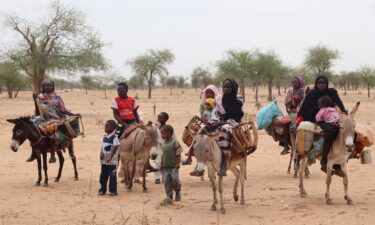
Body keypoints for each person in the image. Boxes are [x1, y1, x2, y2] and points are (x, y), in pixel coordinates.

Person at [297, 75, 346, 176]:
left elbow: (339, 104)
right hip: (316, 120)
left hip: (331, 118)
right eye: (319, 83)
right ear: (316, 84)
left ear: (326, 84)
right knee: (330, 133)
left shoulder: (331, 92)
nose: (321, 85)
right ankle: (323, 161)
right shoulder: (312, 94)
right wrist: (298, 120)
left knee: (345, 133)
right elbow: (303, 109)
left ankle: (341, 161)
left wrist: (344, 112)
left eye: (323, 83)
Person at [196, 79, 244, 177]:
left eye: (228, 87)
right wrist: (212, 122)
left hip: (233, 122)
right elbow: (215, 113)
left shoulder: (238, 100)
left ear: (234, 88)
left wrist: (221, 123)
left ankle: (224, 163)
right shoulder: (219, 99)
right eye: (224, 87)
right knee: (203, 129)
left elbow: (238, 116)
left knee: (224, 131)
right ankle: (198, 160)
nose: (226, 89)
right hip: (219, 120)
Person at [29, 80, 79, 163]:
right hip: (43, 118)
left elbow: (63, 110)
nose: (49, 87)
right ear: (43, 87)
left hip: (55, 118)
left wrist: (74, 114)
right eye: (47, 86)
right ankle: (33, 152)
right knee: (30, 126)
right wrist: (34, 100)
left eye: (50, 86)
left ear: (53, 87)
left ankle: (52, 154)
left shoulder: (57, 97)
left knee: (51, 128)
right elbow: (37, 110)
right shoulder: (39, 96)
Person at [182, 84, 219, 165]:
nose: (209, 94)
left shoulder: (218, 102)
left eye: (211, 93)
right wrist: (202, 118)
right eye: (207, 93)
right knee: (196, 139)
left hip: (215, 124)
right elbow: (201, 112)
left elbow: (218, 113)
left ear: (214, 93)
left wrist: (211, 121)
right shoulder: (204, 102)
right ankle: (189, 157)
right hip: (204, 124)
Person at [280, 75, 306, 155]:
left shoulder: (305, 91)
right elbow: (287, 103)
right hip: (292, 112)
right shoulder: (290, 91)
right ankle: (286, 145)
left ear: (300, 83)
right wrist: (291, 110)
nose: (294, 83)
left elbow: (306, 103)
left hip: (303, 112)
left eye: (296, 82)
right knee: (285, 122)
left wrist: (300, 111)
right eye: (293, 82)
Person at [160, 125, 183, 205]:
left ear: (169, 133)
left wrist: (177, 163)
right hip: (166, 166)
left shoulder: (174, 142)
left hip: (173, 166)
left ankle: (177, 191)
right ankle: (169, 195)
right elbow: (163, 155)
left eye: (163, 134)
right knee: (166, 181)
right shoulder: (163, 144)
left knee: (175, 179)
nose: (161, 135)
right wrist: (161, 164)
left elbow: (178, 153)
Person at [98, 120, 120, 196]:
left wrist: (110, 157)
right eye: (105, 127)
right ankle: (102, 189)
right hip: (104, 161)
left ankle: (113, 191)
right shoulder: (105, 137)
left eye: (107, 127)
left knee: (112, 176)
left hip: (112, 162)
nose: (105, 128)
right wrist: (101, 154)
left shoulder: (115, 137)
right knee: (103, 176)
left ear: (113, 128)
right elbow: (102, 147)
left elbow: (115, 147)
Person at [150, 112, 170, 184]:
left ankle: (164, 177)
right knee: (158, 162)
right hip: (157, 146)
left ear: (165, 119)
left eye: (160, 117)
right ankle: (157, 177)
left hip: (166, 147)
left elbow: (172, 138)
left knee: (165, 162)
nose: (158, 119)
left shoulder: (168, 128)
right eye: (158, 117)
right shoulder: (155, 126)